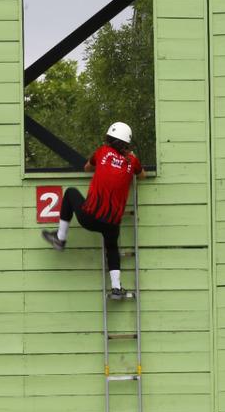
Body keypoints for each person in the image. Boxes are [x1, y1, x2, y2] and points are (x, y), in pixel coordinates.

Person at [41, 122, 146, 299]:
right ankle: (116, 288)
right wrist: (130, 159)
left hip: (89, 217)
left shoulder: (102, 152)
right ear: (126, 143)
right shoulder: (132, 161)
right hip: (112, 223)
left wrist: (105, 167)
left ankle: (60, 238)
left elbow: (86, 167)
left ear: (109, 139)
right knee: (112, 248)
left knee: (70, 192)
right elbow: (142, 176)